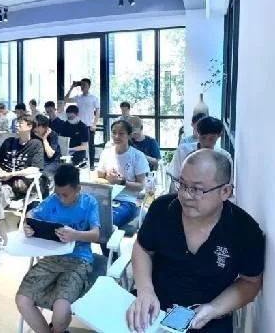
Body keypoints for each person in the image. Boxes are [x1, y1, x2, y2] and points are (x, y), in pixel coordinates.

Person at [126, 150, 264, 333]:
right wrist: (145, 291)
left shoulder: (245, 231)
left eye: (197, 189)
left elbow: (250, 282)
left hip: (208, 316)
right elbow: (143, 248)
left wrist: (213, 309)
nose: (185, 195)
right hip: (153, 308)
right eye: (182, 184)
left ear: (225, 191)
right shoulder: (162, 209)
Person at [16, 164, 100, 333]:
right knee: (22, 301)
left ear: (78, 189)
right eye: (57, 193)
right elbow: (31, 215)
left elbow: (96, 235)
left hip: (78, 260)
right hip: (51, 257)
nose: (61, 199)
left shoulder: (89, 203)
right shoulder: (52, 201)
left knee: (61, 313)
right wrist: (27, 225)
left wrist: (75, 235)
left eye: (65, 195)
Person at [0, 114, 44, 268]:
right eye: (16, 123)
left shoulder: (36, 144)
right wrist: (0, 172)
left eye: (20, 123)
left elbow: (35, 168)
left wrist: (11, 174)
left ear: (30, 126)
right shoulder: (9, 141)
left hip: (14, 186)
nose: (16, 125)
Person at [95, 120, 148, 230]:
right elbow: (98, 178)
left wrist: (122, 182)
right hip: (106, 199)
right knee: (87, 220)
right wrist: (109, 180)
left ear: (129, 135)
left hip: (126, 200)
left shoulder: (137, 156)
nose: (116, 136)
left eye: (121, 133)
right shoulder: (106, 153)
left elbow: (141, 186)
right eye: (114, 133)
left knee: (106, 224)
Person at [167, 116, 231, 181]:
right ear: (198, 134)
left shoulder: (224, 157)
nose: (206, 142)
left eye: (211, 138)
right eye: (203, 137)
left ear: (219, 135)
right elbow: (174, 178)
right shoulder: (182, 151)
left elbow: (227, 183)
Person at [65, 78, 100, 167]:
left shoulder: (94, 98)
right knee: (78, 145)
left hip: (89, 125)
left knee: (90, 145)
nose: (82, 86)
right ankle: (79, 162)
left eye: (84, 84)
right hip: (78, 125)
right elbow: (66, 99)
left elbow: (97, 112)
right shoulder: (78, 97)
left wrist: (95, 124)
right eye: (81, 84)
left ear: (89, 86)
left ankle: (91, 165)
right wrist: (72, 87)